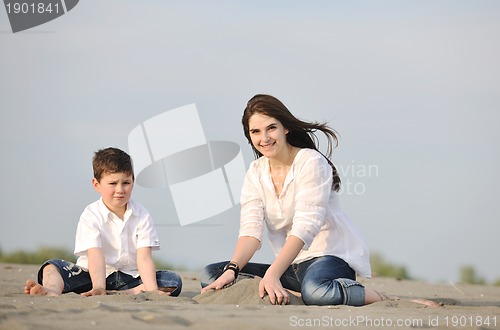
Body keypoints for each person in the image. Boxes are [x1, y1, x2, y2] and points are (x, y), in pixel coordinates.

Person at [200, 94, 398, 306]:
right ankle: (292, 292)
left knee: (317, 292)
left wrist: (272, 274)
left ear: (285, 128)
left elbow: (305, 226)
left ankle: (378, 297)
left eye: (271, 128)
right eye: (256, 132)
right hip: (291, 266)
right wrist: (232, 269)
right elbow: (250, 231)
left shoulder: (310, 161)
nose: (264, 138)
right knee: (212, 275)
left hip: (328, 259)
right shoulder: (255, 172)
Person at [24, 147, 182, 297]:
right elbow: (95, 255)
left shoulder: (142, 215)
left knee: (173, 280)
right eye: (113, 183)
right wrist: (98, 287)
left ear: (133, 182)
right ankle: (52, 290)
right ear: (96, 184)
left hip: (130, 277)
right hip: (92, 275)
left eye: (125, 183)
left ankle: (123, 294)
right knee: (51, 267)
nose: (120, 190)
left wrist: (152, 291)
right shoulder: (91, 215)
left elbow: (144, 258)